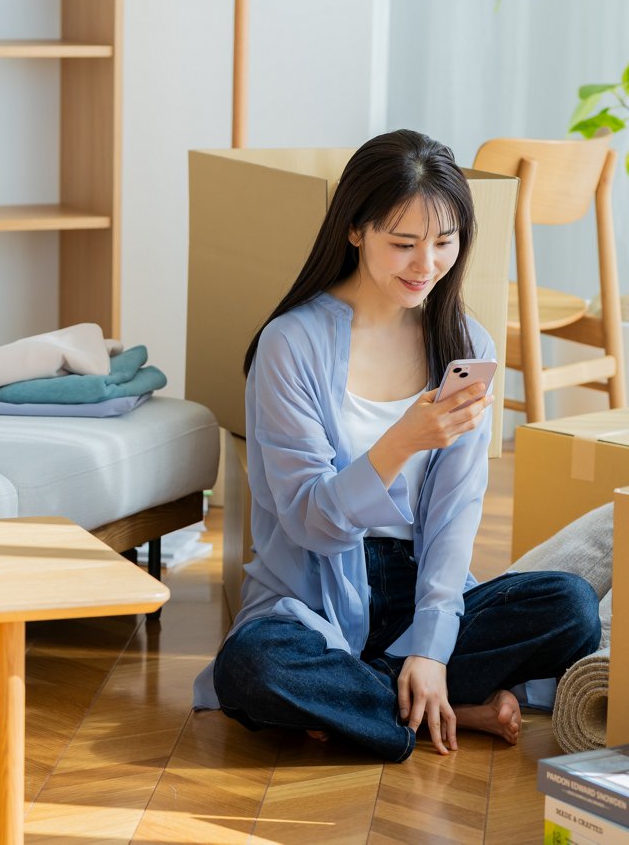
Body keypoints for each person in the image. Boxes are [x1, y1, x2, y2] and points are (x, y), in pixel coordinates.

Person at [192, 129, 601, 762]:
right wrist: (403, 441)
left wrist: (431, 648)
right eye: (404, 243)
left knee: (571, 607)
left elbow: (455, 513)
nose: (426, 265)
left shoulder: (468, 345)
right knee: (253, 667)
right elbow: (309, 522)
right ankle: (450, 709)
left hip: (420, 587)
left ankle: (373, 699)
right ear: (355, 230)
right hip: (314, 594)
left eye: (445, 242)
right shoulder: (290, 344)